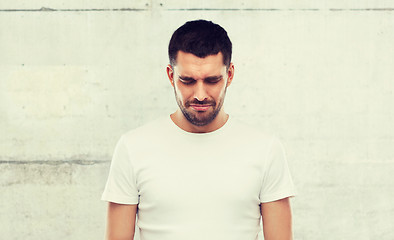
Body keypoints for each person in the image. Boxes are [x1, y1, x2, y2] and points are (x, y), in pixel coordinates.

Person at [101, 19, 296, 240]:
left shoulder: (265, 149)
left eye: (212, 80)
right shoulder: (133, 147)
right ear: (170, 75)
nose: (200, 95)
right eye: (187, 80)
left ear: (230, 75)